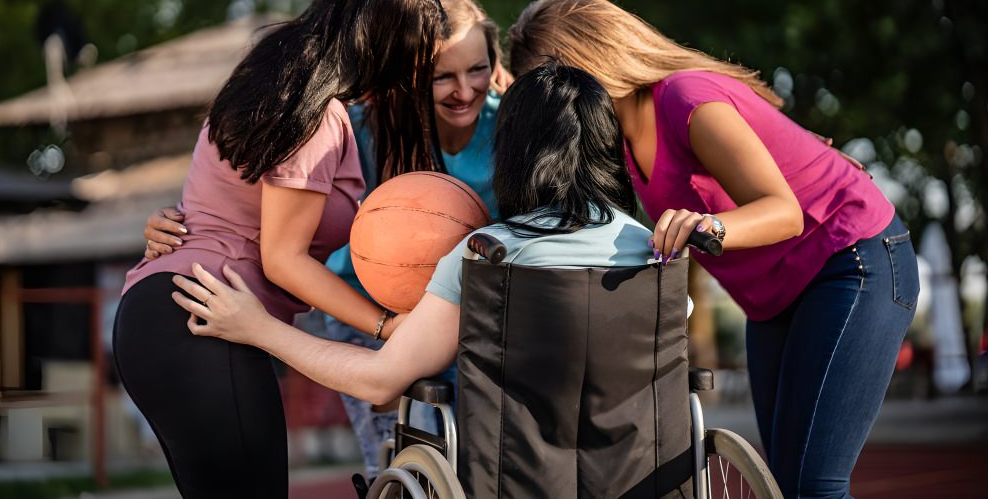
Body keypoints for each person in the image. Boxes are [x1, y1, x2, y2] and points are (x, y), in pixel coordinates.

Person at [506, 0, 919, 499]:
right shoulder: (624, 140)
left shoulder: (685, 99)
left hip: (851, 260)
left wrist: (711, 226)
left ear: (589, 64)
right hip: (774, 299)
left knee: (815, 485)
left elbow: (784, 212)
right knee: (783, 484)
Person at [142, 0, 512, 480]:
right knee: (401, 463)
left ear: (496, 60)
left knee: (484, 465)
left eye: (477, 69)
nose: (464, 90)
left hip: (468, 317)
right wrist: (182, 219)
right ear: (411, 74)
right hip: (365, 307)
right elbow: (254, 184)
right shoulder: (358, 123)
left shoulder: (513, 130)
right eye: (443, 76)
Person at [167, 62, 653, 423]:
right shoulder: (649, 249)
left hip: (522, 470)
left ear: (517, 154)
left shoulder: (488, 255)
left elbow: (379, 381)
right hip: (637, 468)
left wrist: (258, 328)